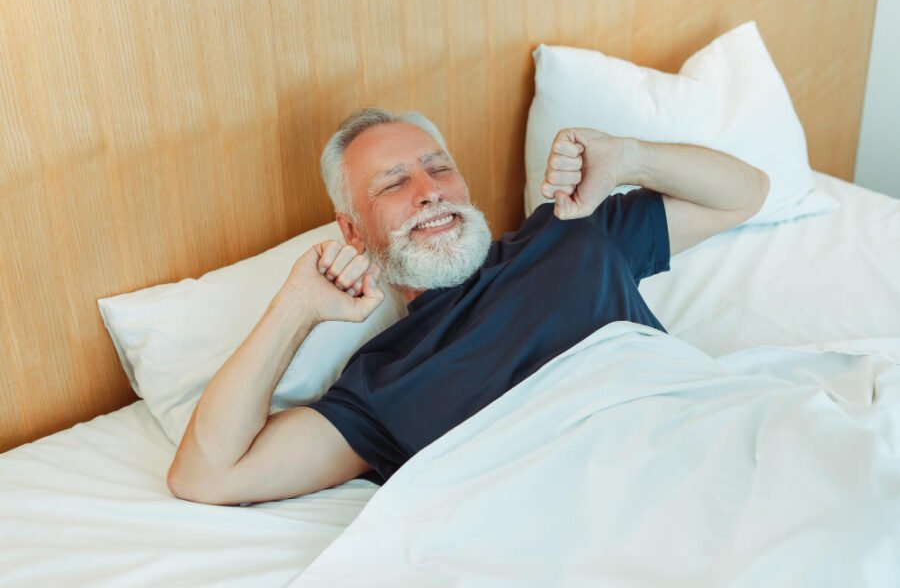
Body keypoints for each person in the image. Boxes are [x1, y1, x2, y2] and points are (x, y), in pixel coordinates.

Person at [167, 107, 769, 505]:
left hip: (711, 446)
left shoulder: (569, 231)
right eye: (393, 184)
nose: (429, 192)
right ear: (352, 233)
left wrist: (631, 159)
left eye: (439, 169)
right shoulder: (381, 384)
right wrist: (296, 307)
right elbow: (207, 474)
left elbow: (743, 195)